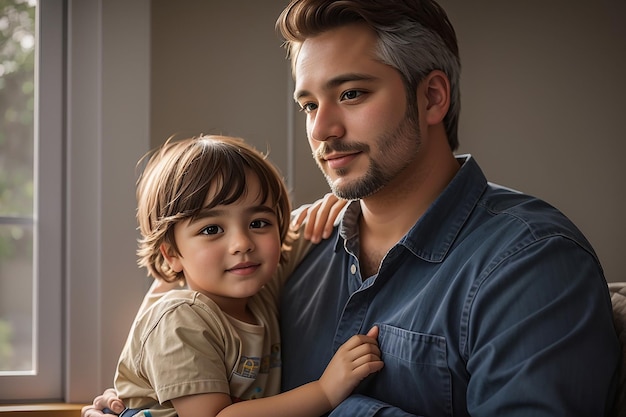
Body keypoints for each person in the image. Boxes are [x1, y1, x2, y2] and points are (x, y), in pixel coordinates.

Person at [85, 0, 621, 416]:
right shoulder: (288, 254)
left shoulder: (531, 264)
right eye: (310, 105)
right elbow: (179, 304)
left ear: (433, 98)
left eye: (352, 95)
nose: (322, 132)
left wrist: (339, 406)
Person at [105, 134, 383, 417]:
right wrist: (325, 390)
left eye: (258, 223)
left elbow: (297, 229)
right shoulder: (179, 320)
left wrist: (342, 200)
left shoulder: (259, 290)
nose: (242, 243)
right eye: (212, 229)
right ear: (171, 254)